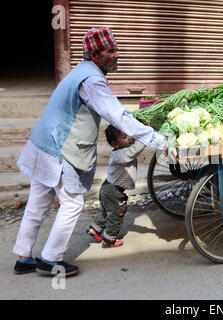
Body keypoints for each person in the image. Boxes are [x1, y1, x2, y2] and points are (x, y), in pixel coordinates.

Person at [12, 27, 167, 277]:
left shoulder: (80, 70)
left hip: (43, 142)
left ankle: (23, 257)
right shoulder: (92, 79)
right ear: (95, 55)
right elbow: (118, 115)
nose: (117, 55)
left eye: (116, 49)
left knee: (39, 202)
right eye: (111, 51)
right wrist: (158, 140)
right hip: (61, 148)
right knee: (72, 204)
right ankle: (50, 260)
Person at [87, 125, 145, 248]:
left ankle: (95, 230)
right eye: (124, 137)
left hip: (108, 188)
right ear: (115, 144)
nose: (129, 138)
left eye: (129, 135)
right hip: (113, 190)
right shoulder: (121, 154)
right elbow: (136, 149)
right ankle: (109, 239)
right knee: (115, 214)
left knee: (106, 212)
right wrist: (146, 135)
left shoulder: (122, 150)